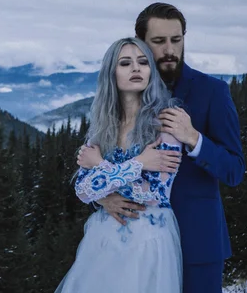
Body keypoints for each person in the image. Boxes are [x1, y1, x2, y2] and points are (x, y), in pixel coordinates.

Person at [95, 3, 245, 292]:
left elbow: (235, 170)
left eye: (176, 40)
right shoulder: (121, 96)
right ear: (141, 41)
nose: (169, 50)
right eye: (159, 41)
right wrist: (103, 199)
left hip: (197, 244)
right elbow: (97, 164)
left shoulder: (212, 91)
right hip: (134, 243)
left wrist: (193, 138)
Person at [55, 37, 185, 292]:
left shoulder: (166, 124)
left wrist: (101, 169)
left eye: (143, 62)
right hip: (104, 241)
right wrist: (138, 164)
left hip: (148, 241)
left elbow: (156, 194)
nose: (136, 68)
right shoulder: (103, 128)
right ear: (111, 73)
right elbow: (83, 189)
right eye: (125, 63)